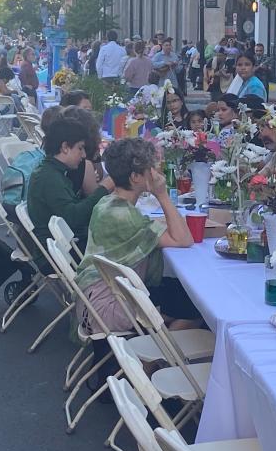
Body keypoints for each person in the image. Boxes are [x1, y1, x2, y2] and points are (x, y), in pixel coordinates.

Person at [76, 138, 196, 335]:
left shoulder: (108, 203)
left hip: (94, 295)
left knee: (181, 293)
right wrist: (163, 195)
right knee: (194, 305)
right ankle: (152, 363)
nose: (156, 173)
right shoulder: (128, 217)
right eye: (152, 168)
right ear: (135, 177)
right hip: (108, 306)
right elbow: (183, 240)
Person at [26, 114, 113, 249]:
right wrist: (104, 188)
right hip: (60, 249)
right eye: (80, 148)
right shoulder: (49, 178)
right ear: (65, 147)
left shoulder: (51, 171)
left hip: (62, 243)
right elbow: (74, 218)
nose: (84, 154)